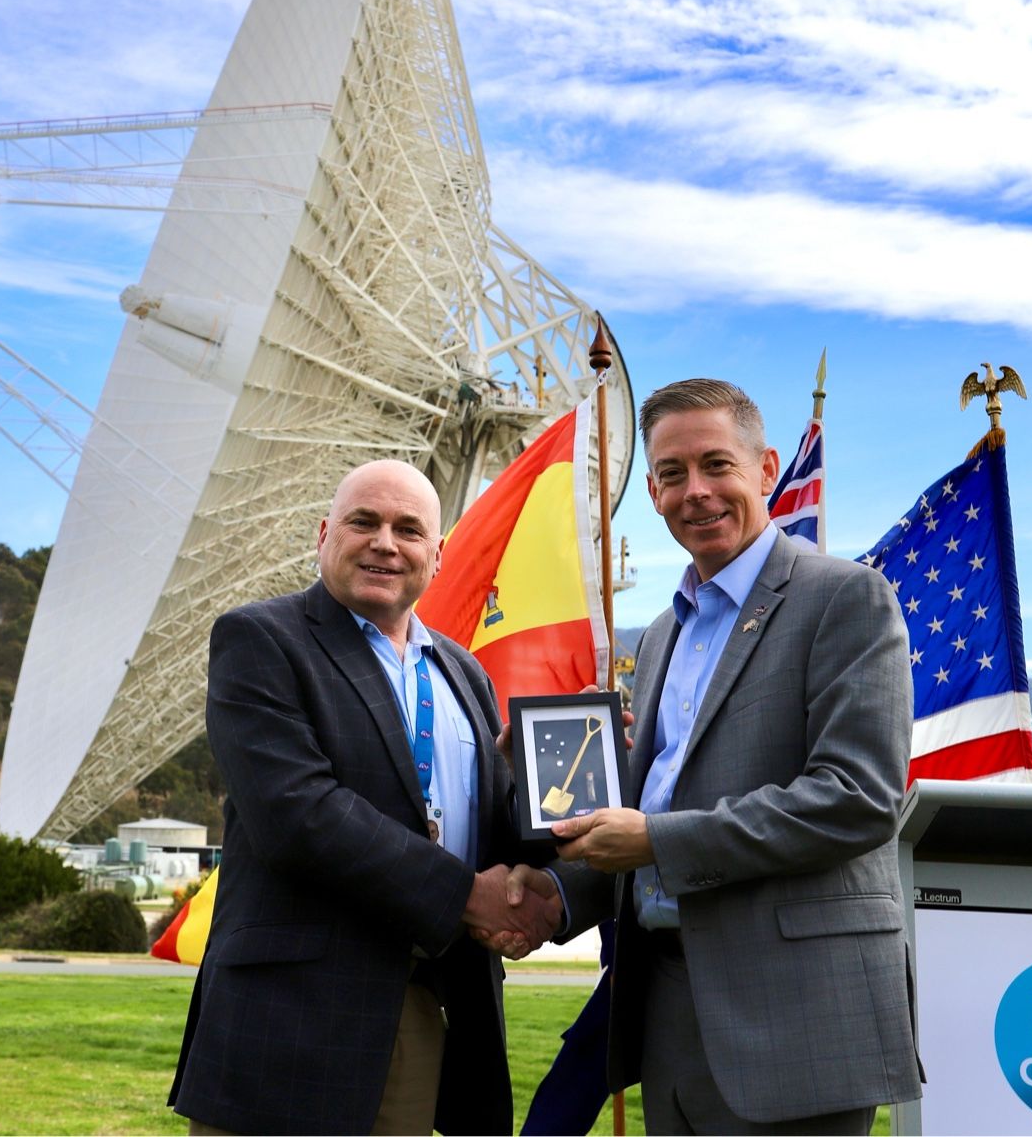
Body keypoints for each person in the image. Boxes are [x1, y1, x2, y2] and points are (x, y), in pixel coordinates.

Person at [528, 378, 921, 1135]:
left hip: (794, 1013)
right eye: (672, 475)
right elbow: (653, 805)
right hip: (670, 1000)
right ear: (650, 489)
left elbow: (857, 798)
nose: (695, 492)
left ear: (767, 469)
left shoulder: (846, 598)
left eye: (717, 465)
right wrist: (552, 888)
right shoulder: (662, 634)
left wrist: (656, 842)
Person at [169, 459, 562, 1135]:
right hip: (290, 1025)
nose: (385, 542)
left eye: (409, 530)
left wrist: (582, 784)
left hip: (422, 1008)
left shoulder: (462, 671)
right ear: (326, 534)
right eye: (364, 522)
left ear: (436, 557)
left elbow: (483, 831)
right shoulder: (263, 640)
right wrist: (469, 896)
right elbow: (298, 815)